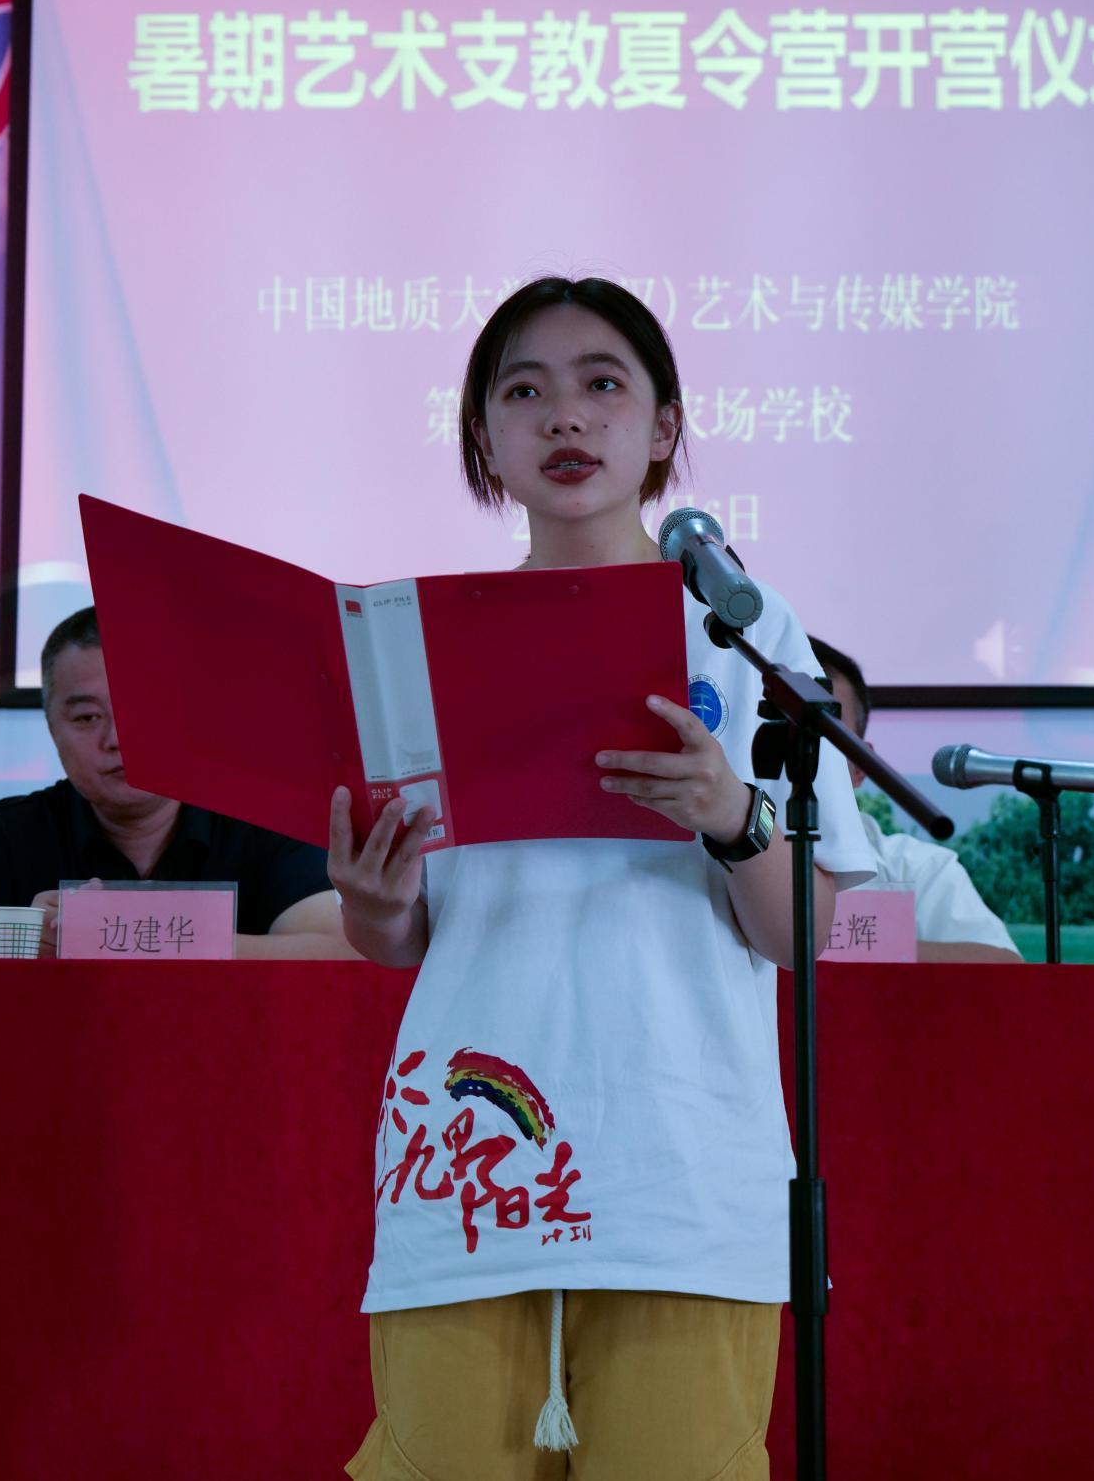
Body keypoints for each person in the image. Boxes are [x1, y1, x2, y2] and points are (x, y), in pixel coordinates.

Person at [328, 277, 876, 1481]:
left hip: (682, 1174)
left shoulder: (742, 634)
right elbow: (405, 937)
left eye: (601, 384)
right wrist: (376, 899)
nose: (564, 416)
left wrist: (729, 815)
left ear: (664, 426)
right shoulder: (412, 642)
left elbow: (802, 933)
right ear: (484, 439)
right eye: (523, 391)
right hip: (469, 1162)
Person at [0, 606, 358, 960]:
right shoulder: (13, 835)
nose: (117, 739)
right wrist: (21, 941)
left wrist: (143, 936)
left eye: (140, 710)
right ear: (52, 729)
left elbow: (339, 952)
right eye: (88, 717)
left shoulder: (261, 824)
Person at [810, 638, 1023, 964]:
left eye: (822, 733)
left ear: (861, 766)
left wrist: (840, 945)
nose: (797, 751)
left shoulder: (917, 868)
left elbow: (1004, 967)